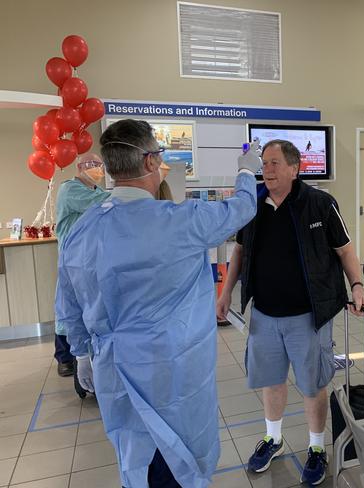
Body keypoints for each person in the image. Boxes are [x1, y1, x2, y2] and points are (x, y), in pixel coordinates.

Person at [56, 119, 259, 488]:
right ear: (150, 162)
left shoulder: (83, 229)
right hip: (171, 375)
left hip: (113, 372)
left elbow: (68, 299)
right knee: (176, 459)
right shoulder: (181, 221)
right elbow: (242, 209)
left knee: (134, 459)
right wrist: (246, 171)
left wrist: (81, 352)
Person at [217, 139, 364, 486]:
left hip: (308, 315)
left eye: (273, 163)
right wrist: (226, 292)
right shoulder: (252, 205)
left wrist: (357, 285)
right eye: (263, 163)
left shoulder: (320, 204)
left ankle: (316, 448)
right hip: (265, 315)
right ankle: (273, 438)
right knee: (272, 380)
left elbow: (345, 251)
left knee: (313, 384)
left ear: (294, 168)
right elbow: (239, 251)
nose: (266, 170)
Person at [53, 153, 109, 377]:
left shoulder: (98, 191)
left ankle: (86, 352)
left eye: (99, 165)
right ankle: (64, 356)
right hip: (71, 259)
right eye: (91, 165)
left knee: (88, 306)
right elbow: (99, 203)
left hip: (92, 258)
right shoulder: (70, 189)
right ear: (79, 167)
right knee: (67, 307)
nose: (97, 169)